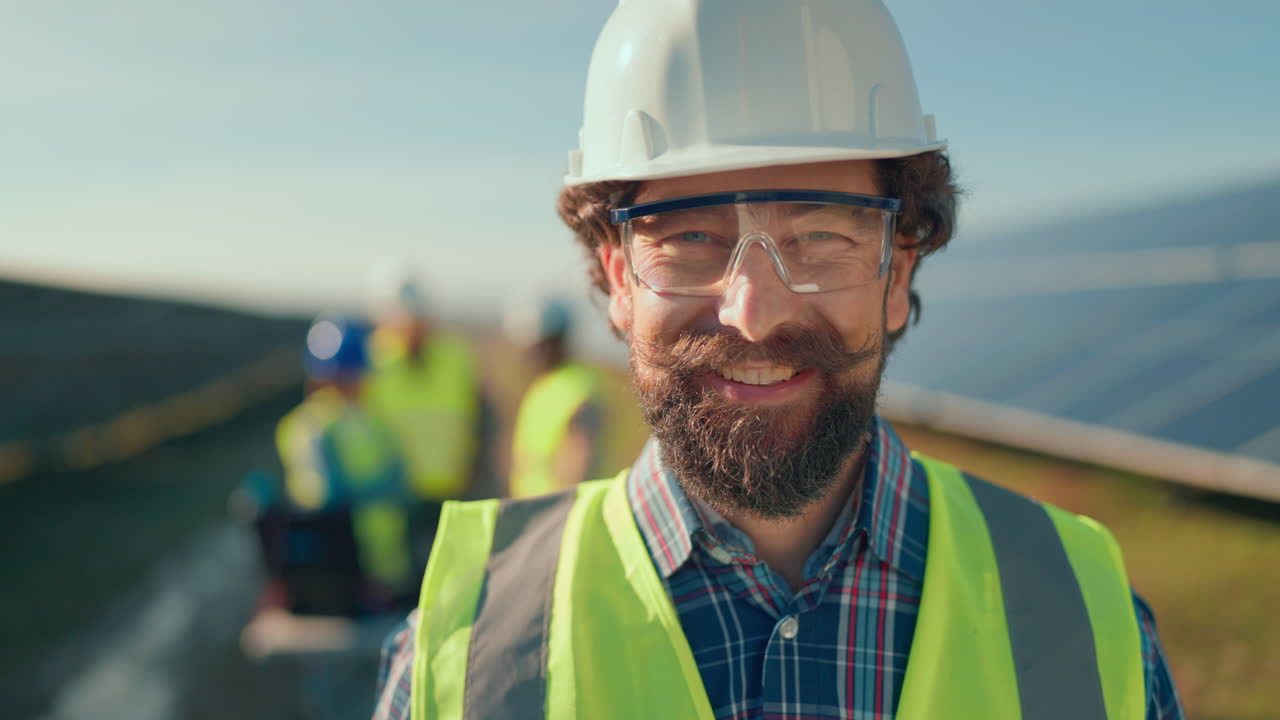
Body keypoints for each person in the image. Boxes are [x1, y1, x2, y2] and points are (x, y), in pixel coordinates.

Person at [373, 2, 1184, 718]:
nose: (754, 315)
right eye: (691, 238)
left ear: (897, 272)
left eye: (822, 236)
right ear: (619, 279)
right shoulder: (466, 655)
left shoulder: (1087, 621)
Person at [258, 315, 414, 616]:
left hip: (357, 576)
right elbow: (331, 495)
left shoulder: (316, 425)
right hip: (365, 575)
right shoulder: (361, 426)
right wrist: (381, 490)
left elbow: (326, 495)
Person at [360, 260, 497, 566]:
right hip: (396, 499)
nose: (408, 327)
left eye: (413, 318)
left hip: (454, 493)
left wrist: (477, 475)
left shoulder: (455, 356)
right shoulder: (371, 360)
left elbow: (480, 422)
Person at [504, 295, 638, 497]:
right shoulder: (546, 386)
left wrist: (563, 514)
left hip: (562, 513)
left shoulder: (578, 387)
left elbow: (579, 462)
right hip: (540, 511)